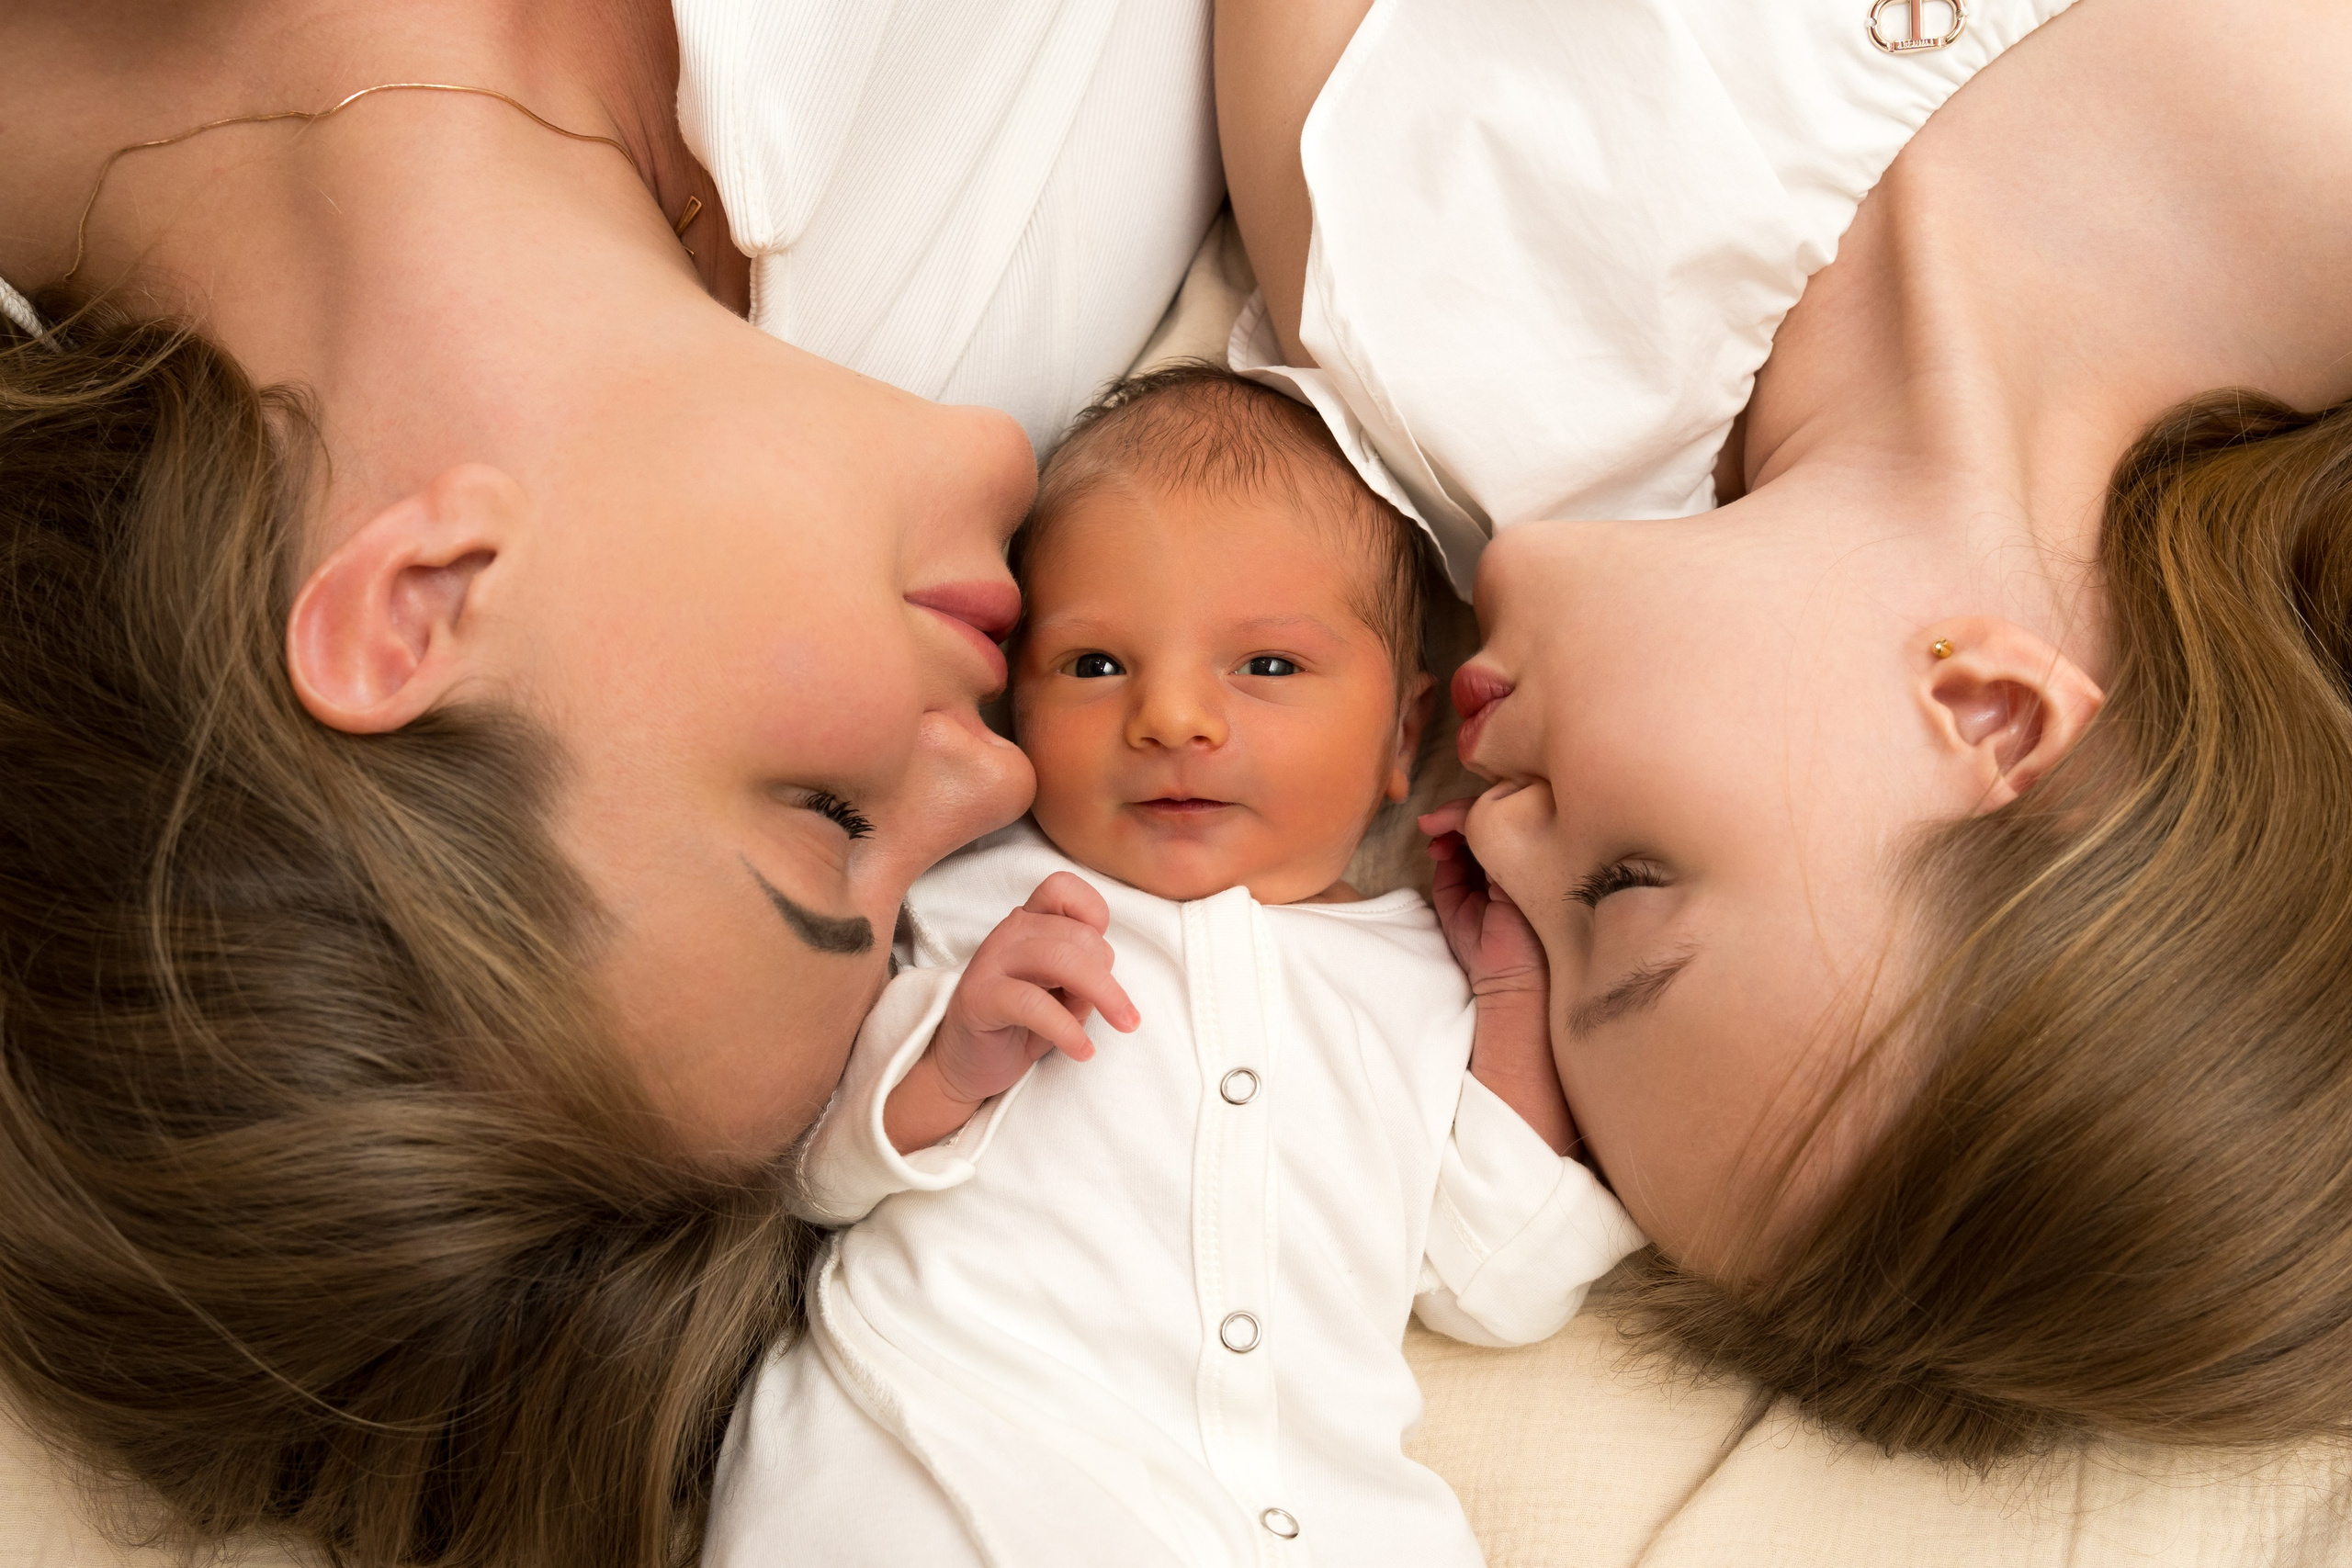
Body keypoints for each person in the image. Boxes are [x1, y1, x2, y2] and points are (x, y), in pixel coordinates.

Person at [0, 3, 1216, 1564]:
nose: (994, 782)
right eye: (910, 892)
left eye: (827, 817)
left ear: (415, 608)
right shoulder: (993, 301)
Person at [1218, 0, 2352, 1461]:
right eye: (1624, 892)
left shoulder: (1433, 316)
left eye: (1536, 940)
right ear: (1989, 714)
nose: (1490, 825)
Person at [705, 366, 1643, 1566]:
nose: (1175, 718)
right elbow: (810, 1172)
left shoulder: (1417, 972)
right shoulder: (979, 896)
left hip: (1299, 1514)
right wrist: (945, 1057)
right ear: (1015, 710)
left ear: (1404, 740)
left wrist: (1513, 994)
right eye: (1096, 666)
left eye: (1267, 667)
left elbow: (1500, 1282)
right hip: (945, 1447)